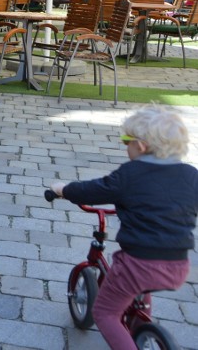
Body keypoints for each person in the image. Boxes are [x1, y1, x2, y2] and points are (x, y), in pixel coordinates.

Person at [49, 105, 198, 350]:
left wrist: (64, 189)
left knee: (106, 313)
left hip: (138, 264)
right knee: (139, 287)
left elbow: (95, 190)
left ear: (140, 145)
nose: (125, 146)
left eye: (125, 141)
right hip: (177, 266)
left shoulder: (131, 174)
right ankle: (139, 328)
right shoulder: (191, 175)